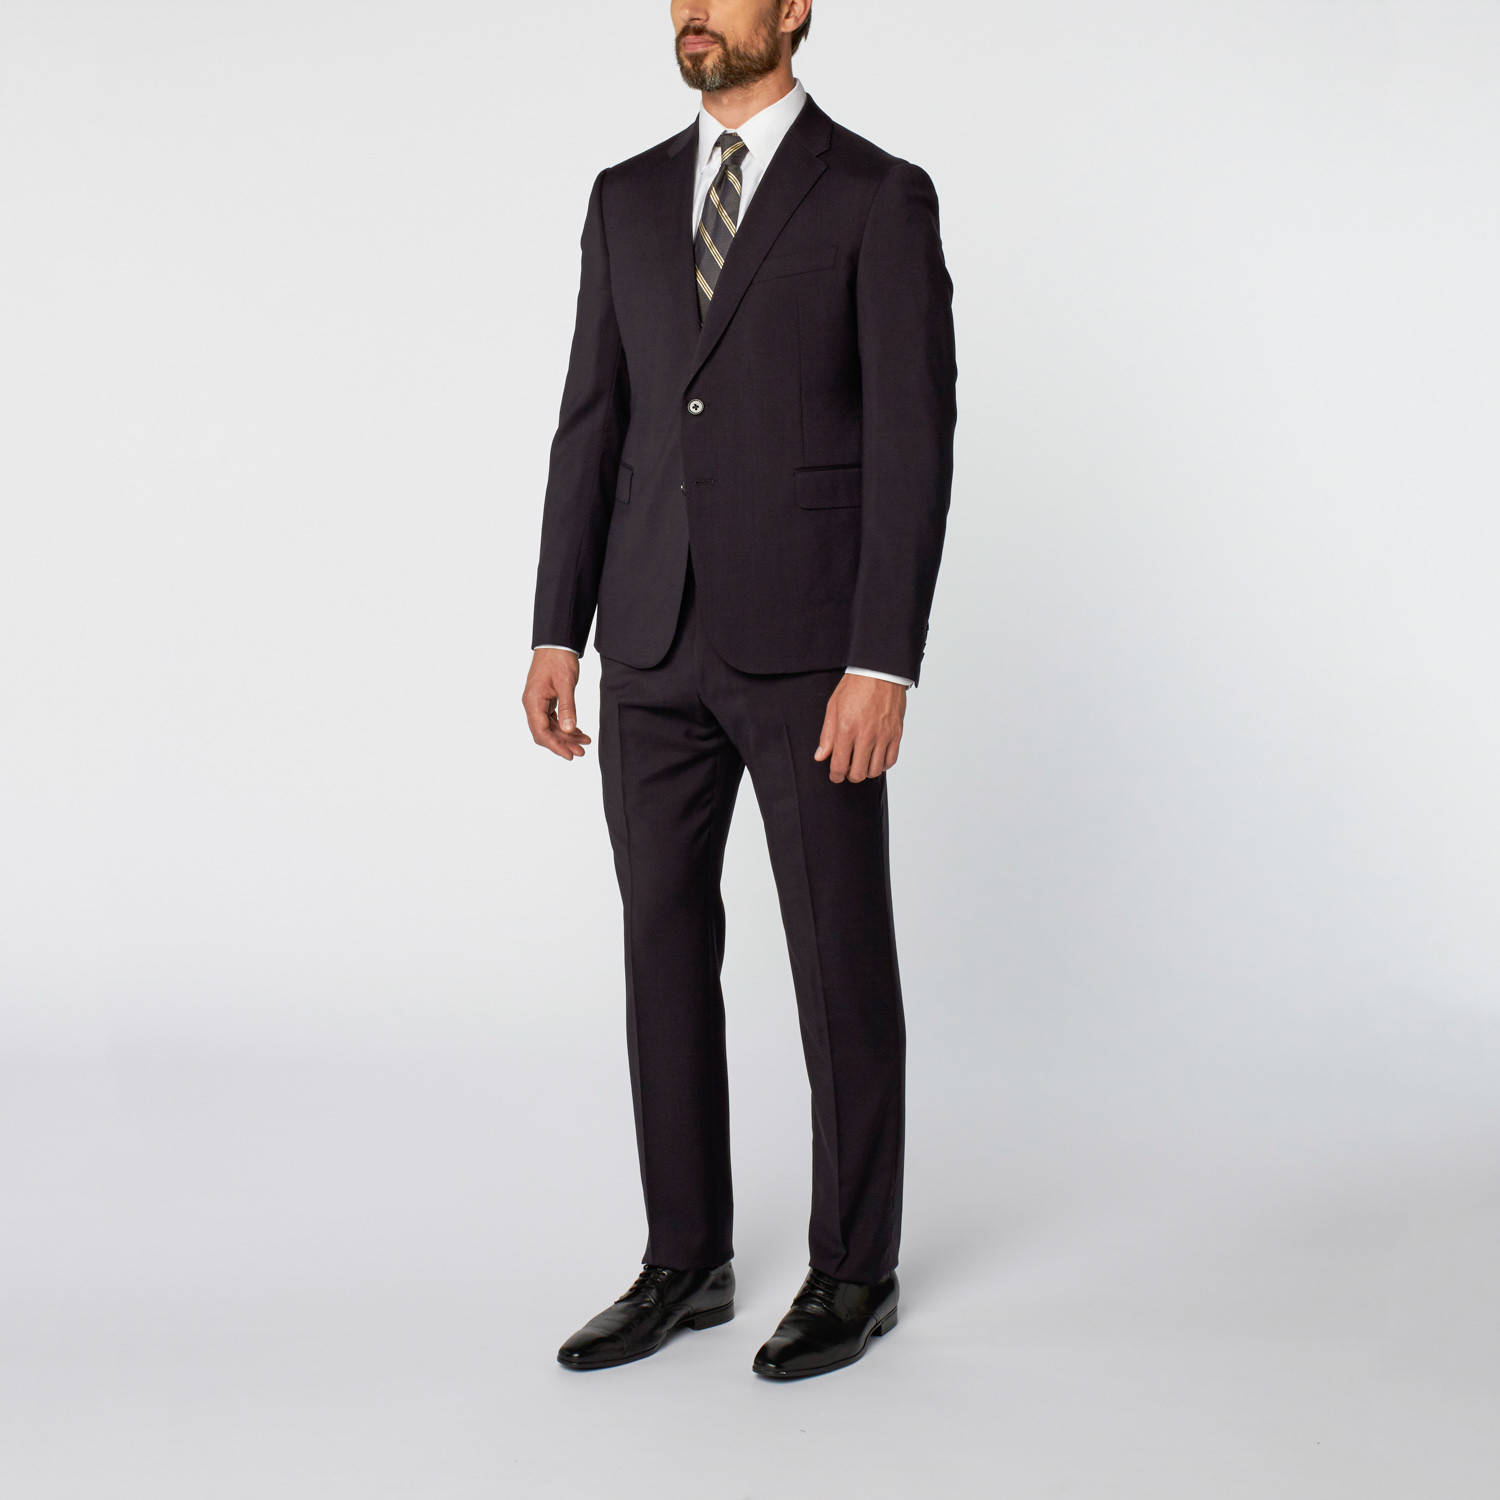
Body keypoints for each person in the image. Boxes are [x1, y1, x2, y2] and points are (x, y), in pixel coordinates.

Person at [522, 0, 956, 1380]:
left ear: (796, 8)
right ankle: (685, 1259)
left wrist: (882, 658)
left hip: (814, 648)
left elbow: (914, 437)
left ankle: (856, 1268)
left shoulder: (878, 196)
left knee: (838, 956)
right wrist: (557, 627)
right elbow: (593, 419)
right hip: (649, 640)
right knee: (660, 950)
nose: (694, 11)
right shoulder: (625, 198)